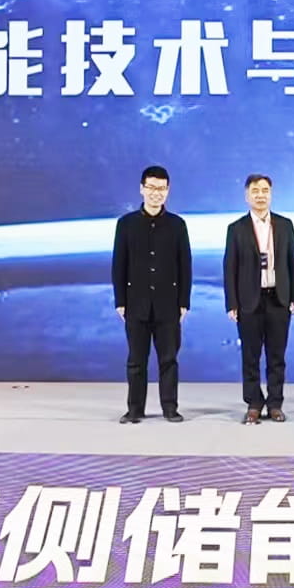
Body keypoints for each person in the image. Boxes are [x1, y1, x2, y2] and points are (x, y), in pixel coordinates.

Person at [112, 165, 191, 423]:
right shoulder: (126, 224)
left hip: (169, 305)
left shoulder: (177, 225)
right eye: (151, 187)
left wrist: (184, 302)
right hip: (136, 304)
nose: (156, 193)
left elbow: (185, 265)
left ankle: (170, 407)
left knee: (169, 360)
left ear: (168, 191)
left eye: (161, 188)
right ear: (141, 189)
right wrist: (120, 301)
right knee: (136, 360)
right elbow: (119, 264)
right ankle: (135, 409)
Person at [224, 174, 294, 423]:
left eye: (265, 190)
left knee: (277, 356)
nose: (260, 195)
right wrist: (232, 302)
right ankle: (254, 403)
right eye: (255, 191)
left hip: (278, 298)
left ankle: (275, 404)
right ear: (247, 195)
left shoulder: (285, 225)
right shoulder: (236, 228)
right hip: (249, 300)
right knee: (250, 356)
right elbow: (230, 267)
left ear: (271, 194)